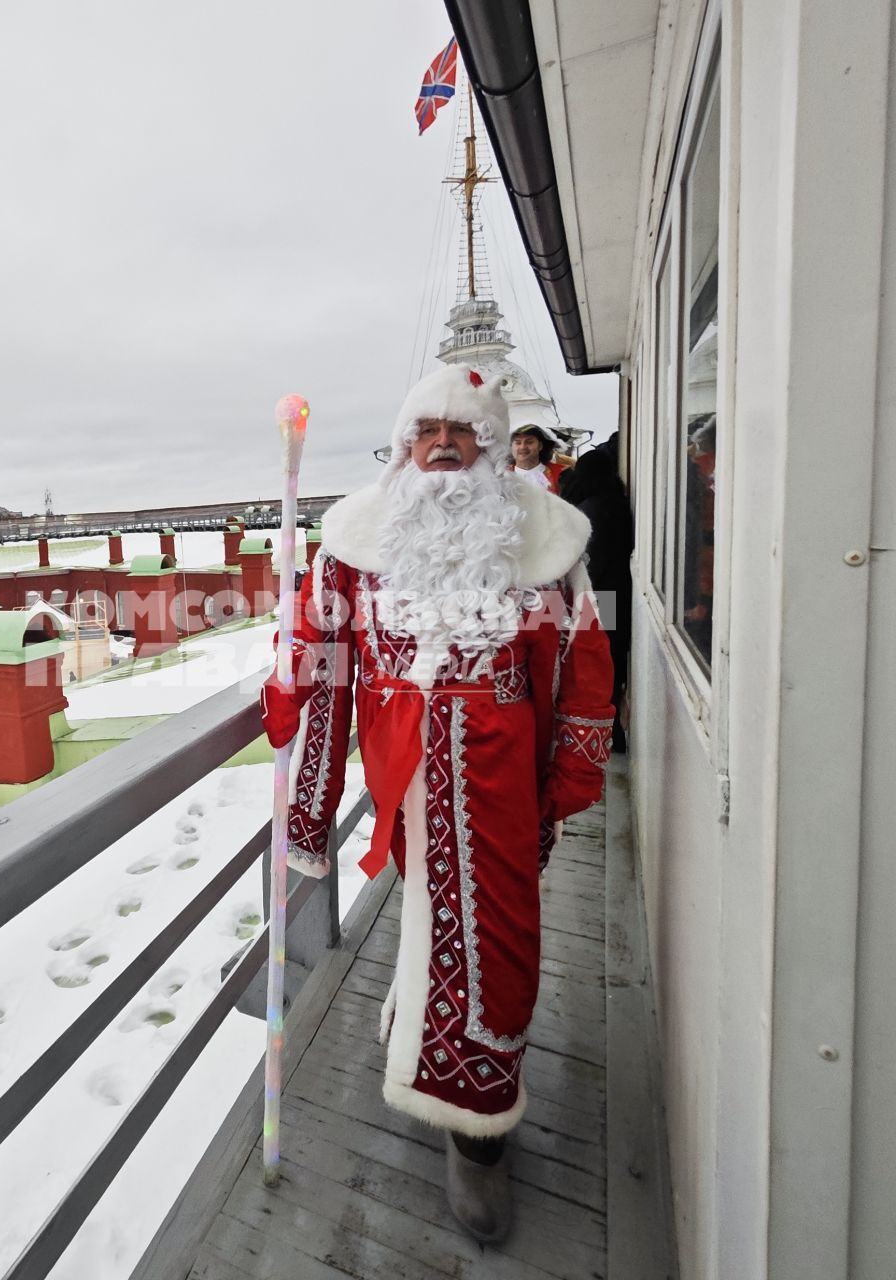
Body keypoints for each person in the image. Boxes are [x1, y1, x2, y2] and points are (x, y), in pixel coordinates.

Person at [261, 365, 615, 1242]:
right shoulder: (355, 536)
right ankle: (418, 1031)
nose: (445, 446)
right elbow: (319, 642)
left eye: (466, 434)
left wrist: (567, 782)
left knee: (498, 946)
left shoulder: (547, 538)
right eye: (427, 431)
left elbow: (583, 666)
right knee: (426, 913)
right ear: (404, 445)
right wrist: (286, 678)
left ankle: (479, 1136)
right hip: (402, 765)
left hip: (498, 775)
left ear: (497, 449)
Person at [557, 435, 634, 752]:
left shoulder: (588, 510)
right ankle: (611, 726)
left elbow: (584, 562)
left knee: (597, 662)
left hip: (600, 596)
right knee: (613, 659)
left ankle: (606, 728)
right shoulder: (615, 502)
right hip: (617, 589)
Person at [508, 423, 563, 491]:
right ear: (511, 447)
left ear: (540, 446)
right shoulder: (501, 475)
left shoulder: (561, 473)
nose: (522, 447)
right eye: (518, 443)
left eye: (529, 442)